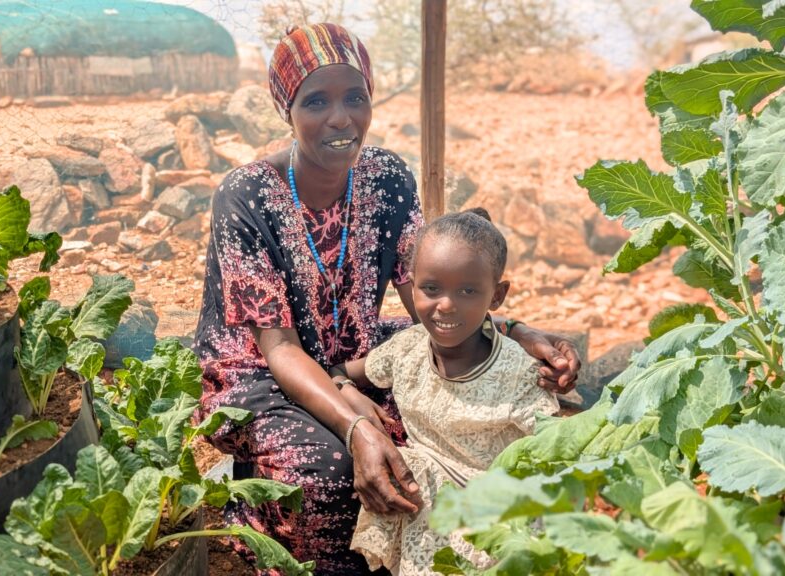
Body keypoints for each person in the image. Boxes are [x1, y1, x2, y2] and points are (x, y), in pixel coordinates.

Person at [193, 23, 580, 575]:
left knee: (448, 425)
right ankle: (265, 523)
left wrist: (518, 333)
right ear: (287, 110)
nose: (341, 118)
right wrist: (355, 425)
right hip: (260, 372)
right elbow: (279, 348)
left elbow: (429, 295)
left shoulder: (386, 177)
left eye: (355, 97)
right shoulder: (246, 196)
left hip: (354, 351)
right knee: (329, 471)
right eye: (316, 101)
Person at [329, 208, 559, 575]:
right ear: (412, 285)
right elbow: (339, 371)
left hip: (497, 515)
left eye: (468, 291)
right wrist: (348, 392)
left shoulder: (519, 373)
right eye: (431, 288)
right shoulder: (406, 349)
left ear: (497, 296)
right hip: (426, 505)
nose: (446, 305)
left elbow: (554, 456)